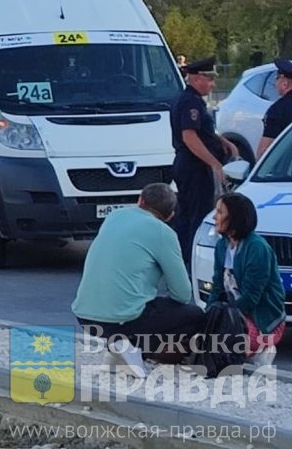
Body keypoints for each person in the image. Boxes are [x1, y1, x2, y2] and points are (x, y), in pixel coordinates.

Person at [72, 183, 203, 377]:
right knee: (195, 315)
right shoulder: (163, 232)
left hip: (85, 317)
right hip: (123, 319)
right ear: (170, 216)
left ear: (140, 200)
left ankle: (117, 349)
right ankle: (131, 346)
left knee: (135, 305)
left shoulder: (114, 217)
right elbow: (183, 293)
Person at [170, 56, 238, 263]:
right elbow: (189, 137)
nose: (213, 84)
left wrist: (221, 141)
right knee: (196, 216)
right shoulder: (190, 102)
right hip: (193, 166)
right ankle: (191, 261)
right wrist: (214, 163)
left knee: (188, 213)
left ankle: (184, 259)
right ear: (197, 78)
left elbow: (201, 130)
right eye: (209, 79)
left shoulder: (192, 100)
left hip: (192, 165)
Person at [207, 193, 285, 368]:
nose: (214, 216)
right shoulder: (222, 246)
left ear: (234, 218)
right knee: (201, 337)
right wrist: (208, 317)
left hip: (261, 318)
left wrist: (224, 322)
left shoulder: (257, 248)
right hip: (235, 313)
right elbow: (217, 287)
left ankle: (263, 349)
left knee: (226, 344)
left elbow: (251, 297)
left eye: (219, 212)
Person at [257, 58, 292, 159]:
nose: (275, 83)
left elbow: (264, 151)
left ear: (284, 84)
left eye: (277, 78)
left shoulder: (278, 110)